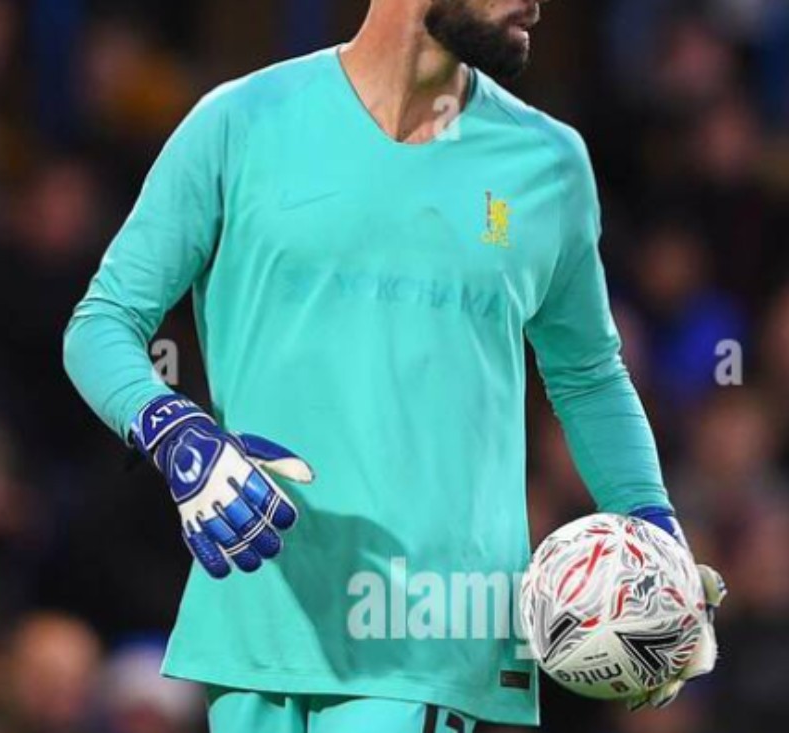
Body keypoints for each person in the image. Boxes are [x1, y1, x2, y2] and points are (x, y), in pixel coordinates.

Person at [64, 1, 724, 731]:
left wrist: (656, 531)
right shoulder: (239, 123)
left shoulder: (549, 164)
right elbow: (103, 323)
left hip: (436, 634)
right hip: (254, 626)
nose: (535, 3)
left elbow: (589, 375)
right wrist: (170, 427)